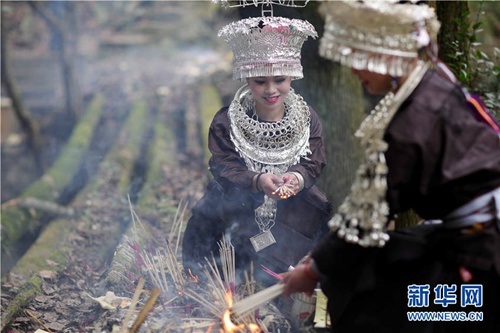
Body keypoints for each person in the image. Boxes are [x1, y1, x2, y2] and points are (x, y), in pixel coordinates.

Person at [282, 1, 500, 332]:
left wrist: (312, 271)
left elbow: (364, 219)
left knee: (369, 296)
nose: (354, 70)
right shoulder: (433, 81)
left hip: (482, 251)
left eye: (360, 58)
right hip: (474, 234)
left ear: (386, 52)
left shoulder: (414, 121)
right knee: (379, 261)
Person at [182, 15, 331, 287]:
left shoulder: (308, 117)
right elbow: (223, 165)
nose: (271, 89)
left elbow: (314, 160)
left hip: (295, 204)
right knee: (209, 234)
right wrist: (257, 180)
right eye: (260, 81)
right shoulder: (226, 121)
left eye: (280, 80)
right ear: (247, 78)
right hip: (237, 202)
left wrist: (296, 178)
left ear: (292, 78)